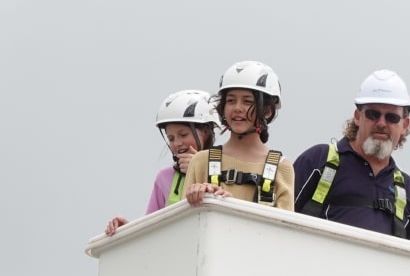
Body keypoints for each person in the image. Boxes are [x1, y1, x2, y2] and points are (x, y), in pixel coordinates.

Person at [293, 69, 410, 243]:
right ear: (357, 116)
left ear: (404, 125)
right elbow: (278, 221)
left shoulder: (407, 190)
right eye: (373, 114)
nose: (381, 123)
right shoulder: (319, 161)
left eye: (392, 117)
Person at [104, 90, 219, 235]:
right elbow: (149, 228)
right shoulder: (164, 177)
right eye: (171, 138)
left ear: (206, 132)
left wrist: (198, 167)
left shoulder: (224, 165)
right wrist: (126, 228)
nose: (177, 143)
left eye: (183, 135)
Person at [183, 61, 294, 211]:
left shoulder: (281, 167)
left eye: (247, 101)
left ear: (267, 111)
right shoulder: (201, 161)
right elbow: (186, 222)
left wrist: (232, 207)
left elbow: (284, 229)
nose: (237, 108)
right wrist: (196, 195)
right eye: (230, 101)